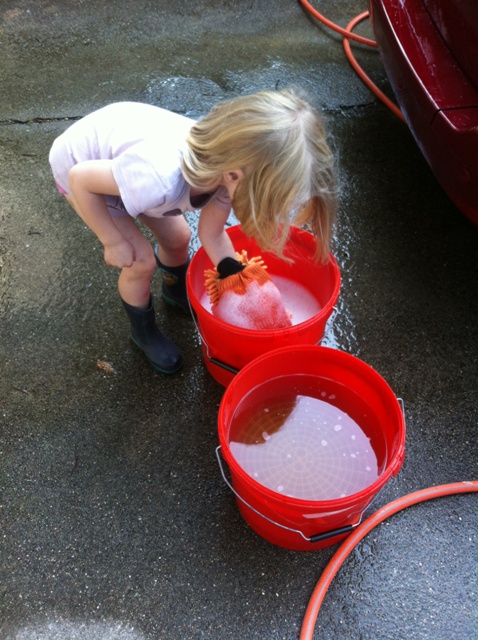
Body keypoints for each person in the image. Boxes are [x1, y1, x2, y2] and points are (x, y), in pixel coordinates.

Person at [49, 88, 337, 374]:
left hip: (123, 168)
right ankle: (143, 332)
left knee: (179, 238)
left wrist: (236, 277)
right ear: (236, 177)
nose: (272, 213)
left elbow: (211, 234)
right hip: (84, 173)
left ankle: (175, 294)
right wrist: (111, 240)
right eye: (269, 203)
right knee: (139, 261)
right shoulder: (158, 179)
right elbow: (81, 179)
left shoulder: (230, 171)